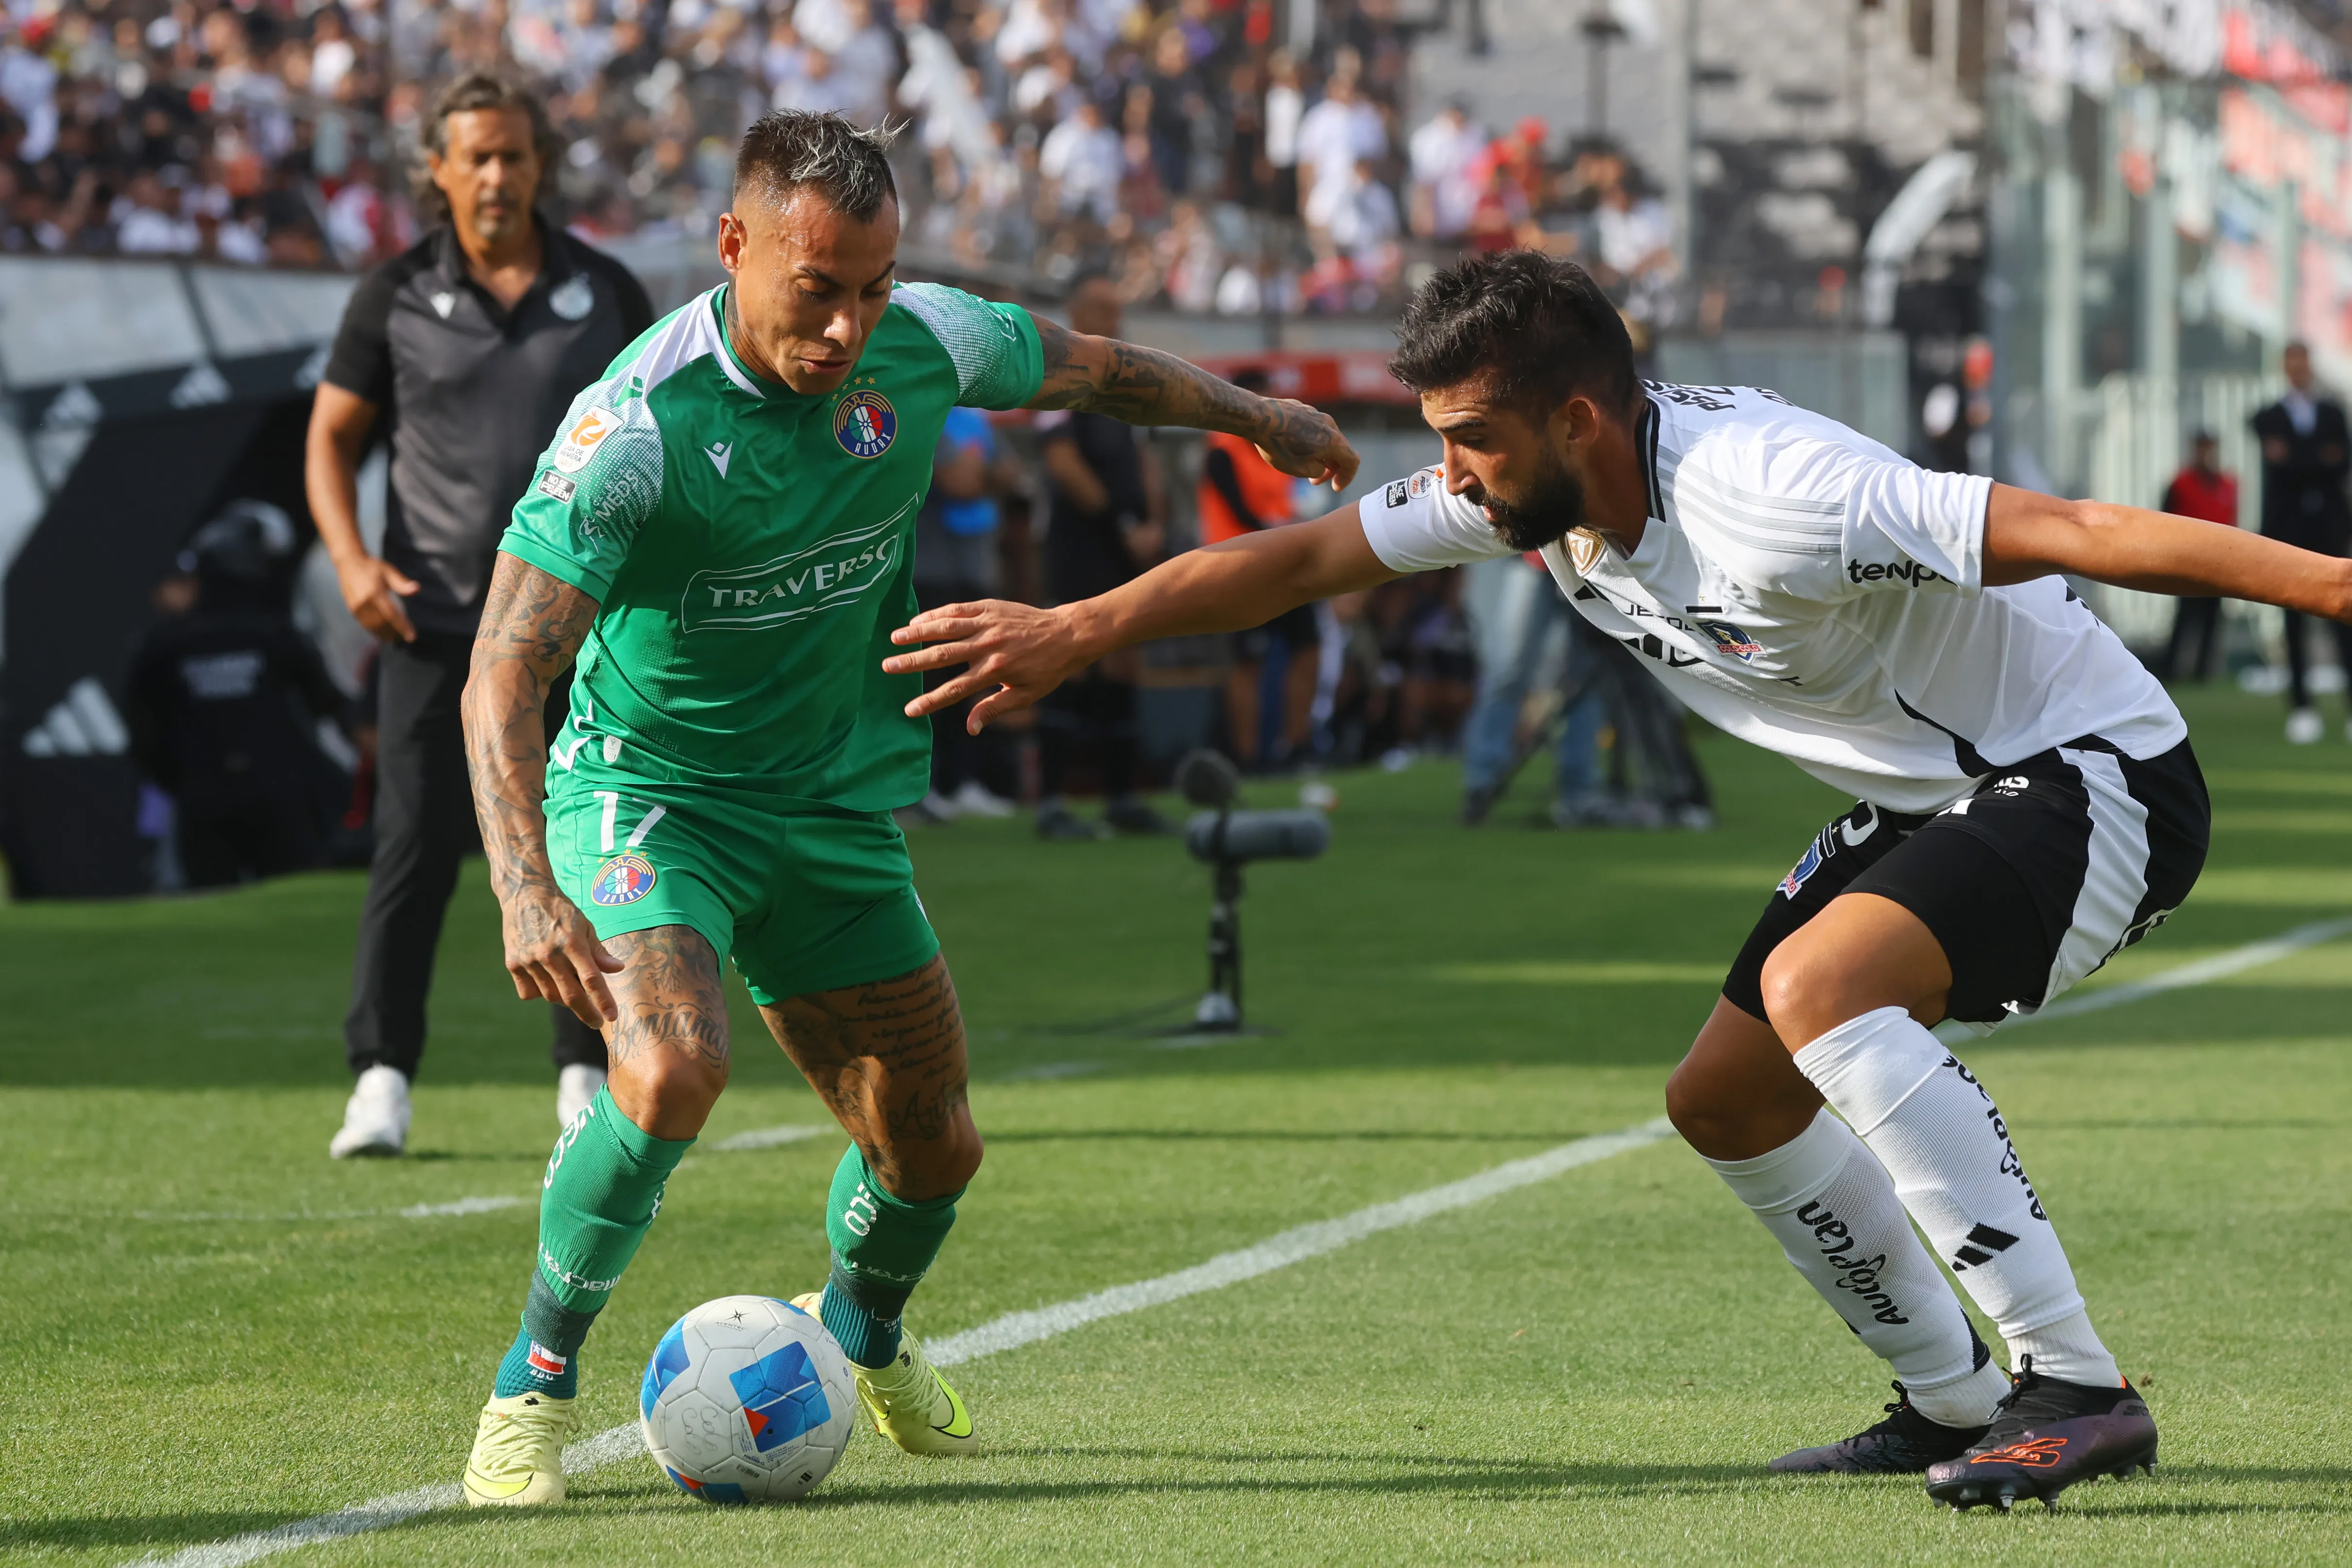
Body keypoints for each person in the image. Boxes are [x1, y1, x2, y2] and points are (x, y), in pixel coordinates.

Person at [889, 250, 2352, 1512]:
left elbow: (2081, 532)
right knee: (1722, 1095)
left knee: (1816, 987)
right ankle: (1952, 1393)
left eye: (1467, 438)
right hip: (1937, 790)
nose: (1447, 473)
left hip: (2100, 771)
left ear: (1571, 417)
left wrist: (2335, 587)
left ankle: (2076, 1385)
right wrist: (1075, 627)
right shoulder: (1524, 491)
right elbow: (1300, 562)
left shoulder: (1776, 490)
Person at [454, 110, 1354, 1506]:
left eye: (873, 286)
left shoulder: (923, 341)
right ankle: (530, 1385)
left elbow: (1101, 374)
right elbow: (505, 663)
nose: (849, 324)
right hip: (652, 798)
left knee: (935, 1146)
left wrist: (1261, 417)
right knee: (673, 1070)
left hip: (829, 801)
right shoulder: (635, 434)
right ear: (734, 247)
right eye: (817, 289)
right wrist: (524, 882)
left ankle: (862, 1333)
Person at [307, 72, 655, 1158]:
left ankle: (581, 1072)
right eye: (478, 158)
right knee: (414, 848)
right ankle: (382, 1076)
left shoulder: (606, 290)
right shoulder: (393, 295)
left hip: (576, 629)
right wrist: (353, 559)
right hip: (435, 625)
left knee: (576, 841)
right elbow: (329, 439)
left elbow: (667, 436)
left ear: (539, 161)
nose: (498, 176)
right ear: (440, 170)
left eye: (514, 154)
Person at [127, 504, 349, 887]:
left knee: (210, 908)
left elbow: (143, 726)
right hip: (278, 792)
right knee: (294, 899)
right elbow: (325, 701)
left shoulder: (164, 646)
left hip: (201, 795)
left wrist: (175, 776)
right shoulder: (276, 635)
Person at [1032, 273, 1174, 839]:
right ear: (1079, 313)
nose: (1116, 324)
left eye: (1118, 313)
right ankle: (1052, 803)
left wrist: (1153, 524)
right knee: (1070, 657)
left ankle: (1121, 796)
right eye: (1104, 312)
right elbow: (1062, 462)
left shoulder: (1127, 384)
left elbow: (1146, 461)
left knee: (1123, 660)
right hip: (1081, 544)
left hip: (1126, 545)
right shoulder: (1057, 376)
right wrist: (1120, 523)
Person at [1199, 367, 1318, 770]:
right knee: (1247, 664)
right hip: (1241, 567)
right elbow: (1241, 511)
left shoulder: (1275, 451)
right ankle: (1248, 758)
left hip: (1283, 564)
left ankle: (1294, 746)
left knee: (1308, 649)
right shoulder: (1223, 449)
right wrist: (1283, 528)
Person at [910, 405, 1020, 820]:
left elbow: (1010, 474)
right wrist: (984, 475)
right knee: (931, 681)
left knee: (973, 679)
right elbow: (961, 482)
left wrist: (982, 475)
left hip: (975, 569)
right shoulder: (925, 412)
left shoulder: (978, 420)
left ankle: (964, 783)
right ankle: (924, 788)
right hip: (931, 570)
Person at [1457, 553, 1611, 826]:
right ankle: (1482, 782)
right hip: (1534, 557)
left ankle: (1579, 791)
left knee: (1586, 679)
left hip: (1590, 563)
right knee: (1508, 671)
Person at [2250, 342, 2352, 741]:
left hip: (2328, 527)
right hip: (2287, 531)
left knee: (2341, 615)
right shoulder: (2268, 416)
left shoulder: (2332, 413)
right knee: (2293, 619)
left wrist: (2295, 457)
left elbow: (2338, 464)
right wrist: (2317, 459)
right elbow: (2307, 464)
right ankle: (2301, 708)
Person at [2158, 431, 2238, 684]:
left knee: (2212, 619)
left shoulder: (2227, 485)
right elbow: (2166, 520)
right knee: (2185, 618)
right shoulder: (2181, 484)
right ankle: (2172, 670)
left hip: (2218, 561)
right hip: (2187, 560)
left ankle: (2203, 673)